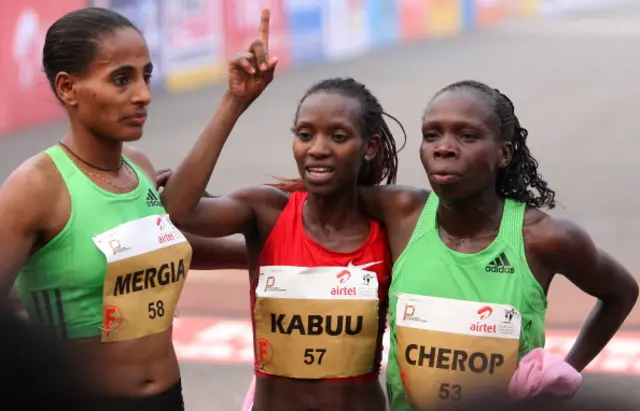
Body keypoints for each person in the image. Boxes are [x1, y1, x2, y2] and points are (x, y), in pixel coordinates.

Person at [0, 7, 247, 410]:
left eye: (146, 76)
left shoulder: (140, 167)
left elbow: (157, 251)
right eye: (122, 79)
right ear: (67, 88)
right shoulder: (35, 187)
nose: (143, 94)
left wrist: (266, 257)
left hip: (168, 397)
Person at [160, 10, 405, 411]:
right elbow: (180, 210)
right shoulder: (267, 211)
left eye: (338, 136)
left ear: (370, 147)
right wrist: (235, 99)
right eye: (305, 134)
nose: (318, 148)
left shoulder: (392, 229)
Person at [352, 80, 639, 410]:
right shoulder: (401, 212)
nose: (443, 147)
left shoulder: (543, 238)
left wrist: (566, 370)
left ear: (503, 153)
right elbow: (316, 191)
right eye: (432, 134)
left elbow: (621, 293)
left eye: (467, 136)